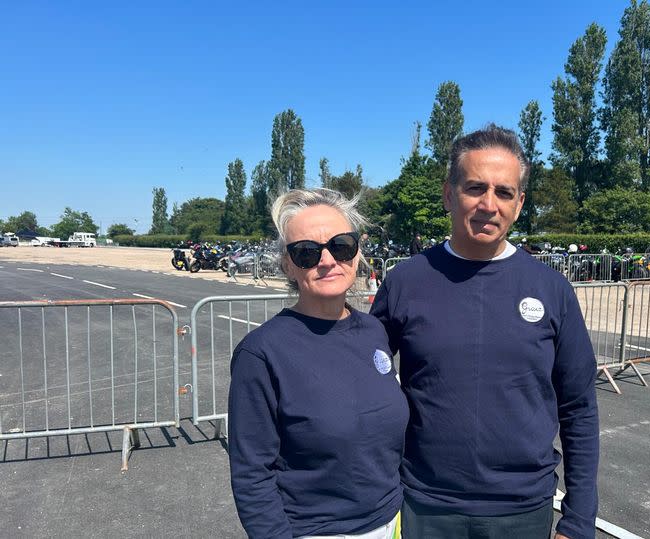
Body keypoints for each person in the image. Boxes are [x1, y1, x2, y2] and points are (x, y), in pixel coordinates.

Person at [370, 125, 599, 539]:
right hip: (424, 504)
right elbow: (367, 389)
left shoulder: (552, 290)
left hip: (523, 509)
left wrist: (580, 518)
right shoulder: (405, 283)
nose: (488, 204)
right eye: (475, 187)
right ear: (448, 194)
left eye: (504, 192)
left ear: (520, 202)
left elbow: (579, 407)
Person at [228, 188, 409, 539]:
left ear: (357, 253)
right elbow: (252, 474)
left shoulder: (373, 331)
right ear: (288, 265)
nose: (327, 261)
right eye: (307, 253)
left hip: (393, 521)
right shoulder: (262, 353)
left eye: (341, 246)